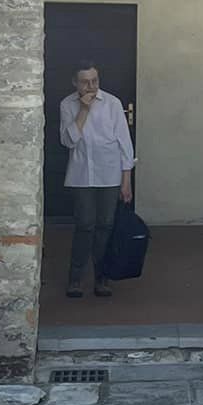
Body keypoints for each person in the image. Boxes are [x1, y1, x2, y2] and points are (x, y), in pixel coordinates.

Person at [58, 65, 134, 301]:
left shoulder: (112, 103)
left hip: (109, 174)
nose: (91, 86)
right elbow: (68, 141)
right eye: (85, 82)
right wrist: (83, 110)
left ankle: (102, 277)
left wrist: (126, 180)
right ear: (75, 83)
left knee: (106, 225)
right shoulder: (67, 105)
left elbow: (124, 142)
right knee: (85, 224)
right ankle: (76, 278)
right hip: (81, 175)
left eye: (94, 80)